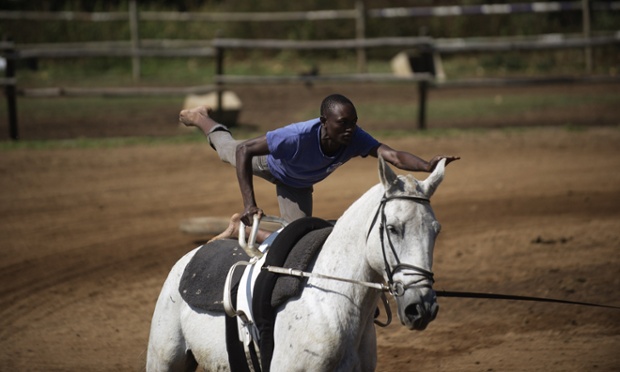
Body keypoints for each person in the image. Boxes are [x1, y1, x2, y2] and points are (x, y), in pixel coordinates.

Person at [179, 93, 459, 242]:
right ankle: (201, 117)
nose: (350, 129)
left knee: (299, 234)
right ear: (324, 120)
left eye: (354, 122)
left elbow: (394, 156)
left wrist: (426, 164)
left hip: (297, 185)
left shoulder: (355, 138)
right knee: (228, 150)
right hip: (269, 162)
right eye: (343, 123)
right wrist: (250, 204)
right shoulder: (296, 136)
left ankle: (242, 231)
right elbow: (244, 150)